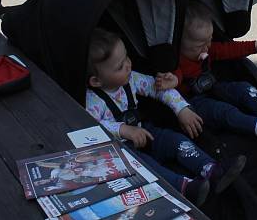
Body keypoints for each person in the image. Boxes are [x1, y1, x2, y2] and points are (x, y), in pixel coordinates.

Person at [85, 28, 246, 206]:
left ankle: (212, 170)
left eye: (127, 58)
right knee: (146, 166)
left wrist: (181, 109)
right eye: (120, 66)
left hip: (145, 132)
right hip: (121, 150)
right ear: (96, 81)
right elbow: (91, 129)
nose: (129, 65)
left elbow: (159, 89)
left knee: (175, 140)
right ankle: (185, 187)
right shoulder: (93, 101)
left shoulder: (131, 79)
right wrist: (122, 130)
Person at [155, 0, 257, 141]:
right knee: (223, 111)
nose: (206, 47)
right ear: (180, 43)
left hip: (214, 87)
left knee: (243, 88)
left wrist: (254, 45)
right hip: (193, 102)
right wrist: (172, 81)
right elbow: (177, 76)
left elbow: (228, 49)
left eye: (209, 41)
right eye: (200, 45)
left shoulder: (208, 48)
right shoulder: (178, 61)